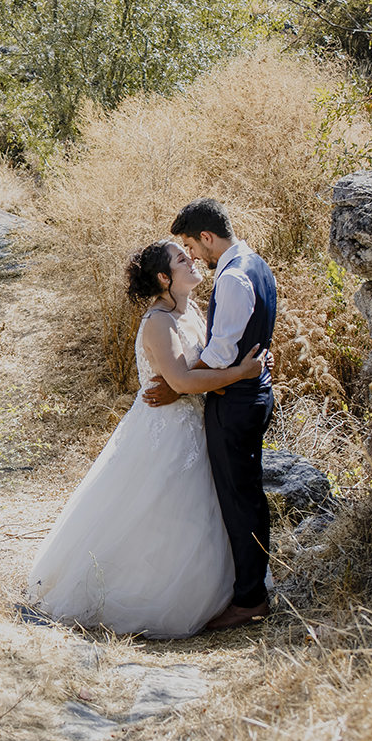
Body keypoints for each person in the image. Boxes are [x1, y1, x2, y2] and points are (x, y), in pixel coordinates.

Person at [26, 240, 266, 638]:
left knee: (195, 514)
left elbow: (204, 367)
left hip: (194, 425)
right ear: (163, 277)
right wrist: (242, 374)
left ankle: (211, 593)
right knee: (154, 509)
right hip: (164, 430)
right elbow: (183, 380)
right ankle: (143, 597)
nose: (191, 262)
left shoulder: (192, 310)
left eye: (188, 256)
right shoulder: (157, 321)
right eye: (181, 259)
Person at [144, 198, 277, 632]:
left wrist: (177, 382)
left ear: (206, 237)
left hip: (236, 402)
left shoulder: (234, 278)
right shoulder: (257, 264)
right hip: (247, 393)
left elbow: (220, 356)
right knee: (244, 497)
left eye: (191, 246)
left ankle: (250, 599)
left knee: (240, 503)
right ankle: (246, 587)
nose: (193, 256)